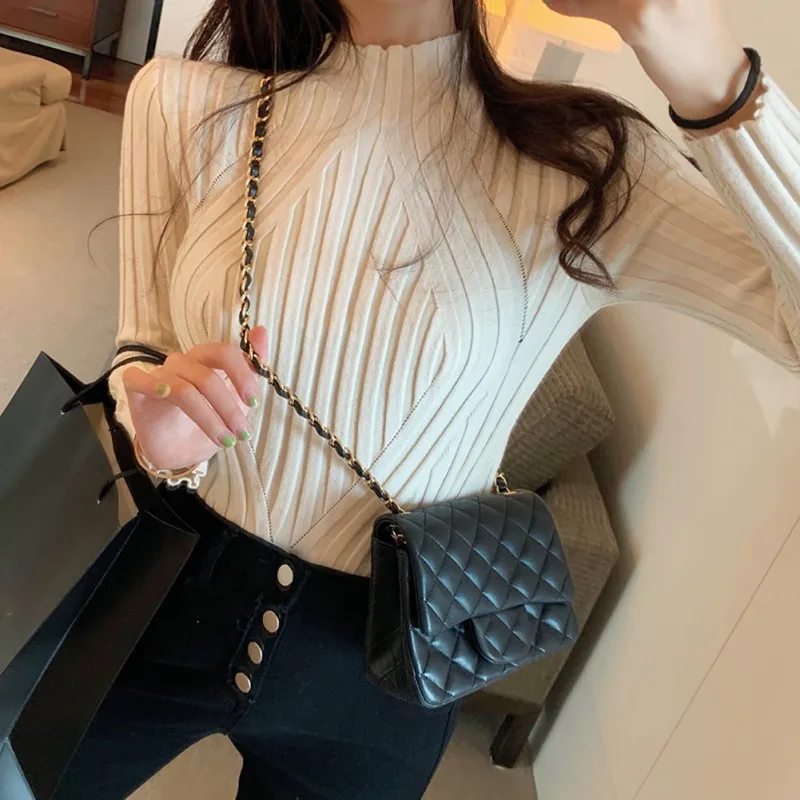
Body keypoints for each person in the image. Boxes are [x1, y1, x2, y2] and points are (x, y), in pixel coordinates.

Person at [57, 0, 799, 798]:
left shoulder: (591, 162)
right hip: (164, 581)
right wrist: (148, 419)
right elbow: (142, 345)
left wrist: (706, 65)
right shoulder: (182, 100)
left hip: (390, 666)